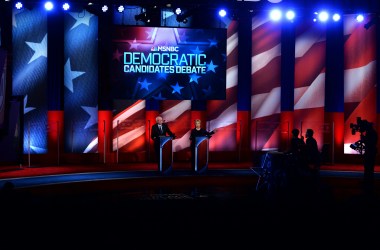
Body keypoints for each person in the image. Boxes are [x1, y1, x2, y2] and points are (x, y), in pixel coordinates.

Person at [360, 121, 378, 194]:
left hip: (370, 152)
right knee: (368, 168)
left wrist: (363, 139)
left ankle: (368, 183)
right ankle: (368, 182)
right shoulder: (372, 132)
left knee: (368, 168)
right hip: (371, 152)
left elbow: (369, 142)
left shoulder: (371, 133)